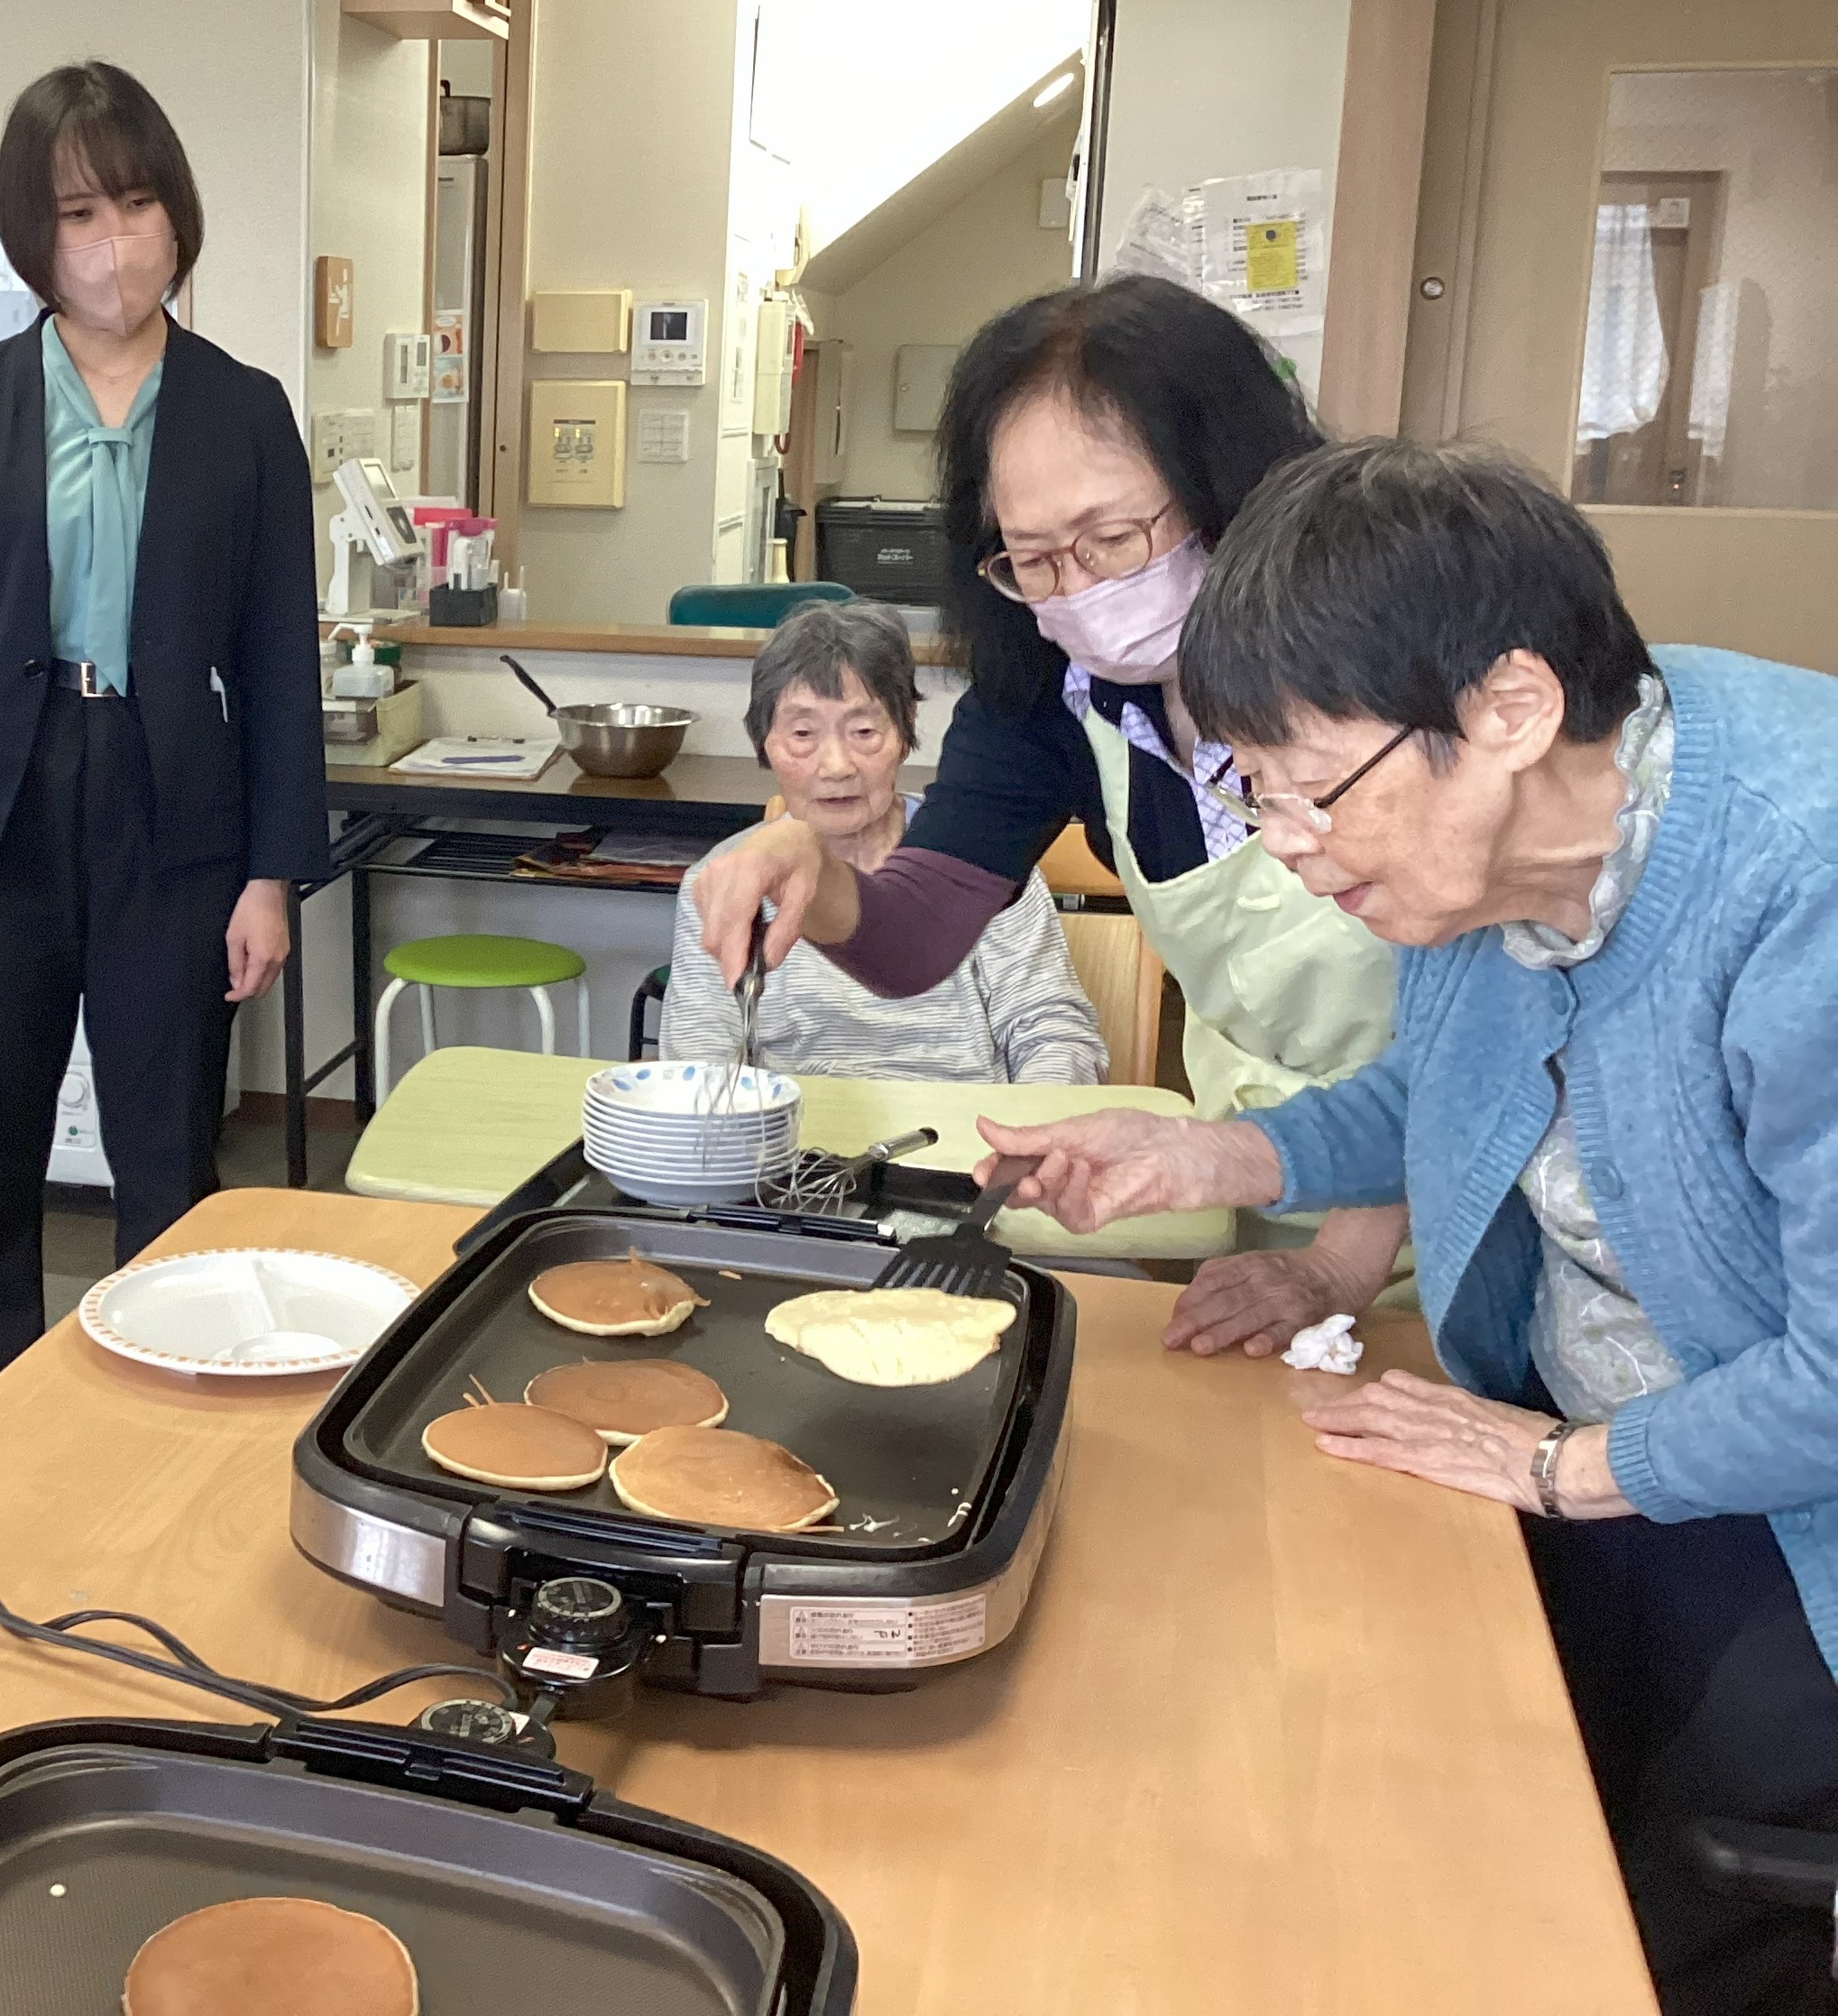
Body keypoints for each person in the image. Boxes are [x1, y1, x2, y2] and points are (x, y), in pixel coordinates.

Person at [974, 439, 1838, 2016]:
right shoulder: (1497, 855)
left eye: (1310, 792)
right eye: (1258, 796)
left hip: (1785, 1522)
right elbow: (1447, 1093)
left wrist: (1548, 1468)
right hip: (1593, 1446)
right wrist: (1198, 1154)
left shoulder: (1799, 879)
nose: (1285, 845)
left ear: (1505, 710)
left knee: (1649, 1914)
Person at [688, 277, 1405, 1357]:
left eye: (1112, 538)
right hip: (1264, 1178)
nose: (1078, 588)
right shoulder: (1059, 694)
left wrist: (1342, 1262)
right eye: (1031, 557)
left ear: (1232, 489)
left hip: (1461, 1177)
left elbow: (1487, 1008)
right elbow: (916, 931)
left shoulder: (1388, 677)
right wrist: (817, 861)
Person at [0, 61, 326, 1409]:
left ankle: (170, 1425)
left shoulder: (245, 413)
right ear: (31, 236)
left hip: (177, 808)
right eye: (77, 216)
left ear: (177, 214)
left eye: (134, 205)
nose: (112, 244)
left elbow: (281, 664)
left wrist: (271, 873)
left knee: (168, 1154)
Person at [661, 601, 1103, 1083]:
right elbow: (699, 1059)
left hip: (967, 1135)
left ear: (905, 732)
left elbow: (1055, 1033)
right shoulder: (725, 878)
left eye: (864, 731)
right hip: (796, 1141)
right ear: (764, 742)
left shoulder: (980, 862)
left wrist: (1026, 1139)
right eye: (803, 733)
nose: (837, 766)